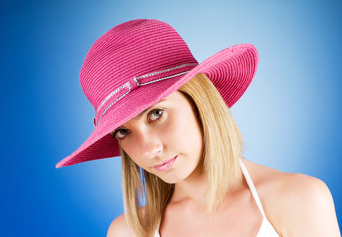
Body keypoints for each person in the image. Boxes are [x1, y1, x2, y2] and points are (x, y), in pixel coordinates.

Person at [56, 19, 340, 237]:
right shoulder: (129, 232)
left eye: (156, 113)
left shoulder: (299, 200)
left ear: (200, 102)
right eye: (123, 131)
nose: (149, 149)